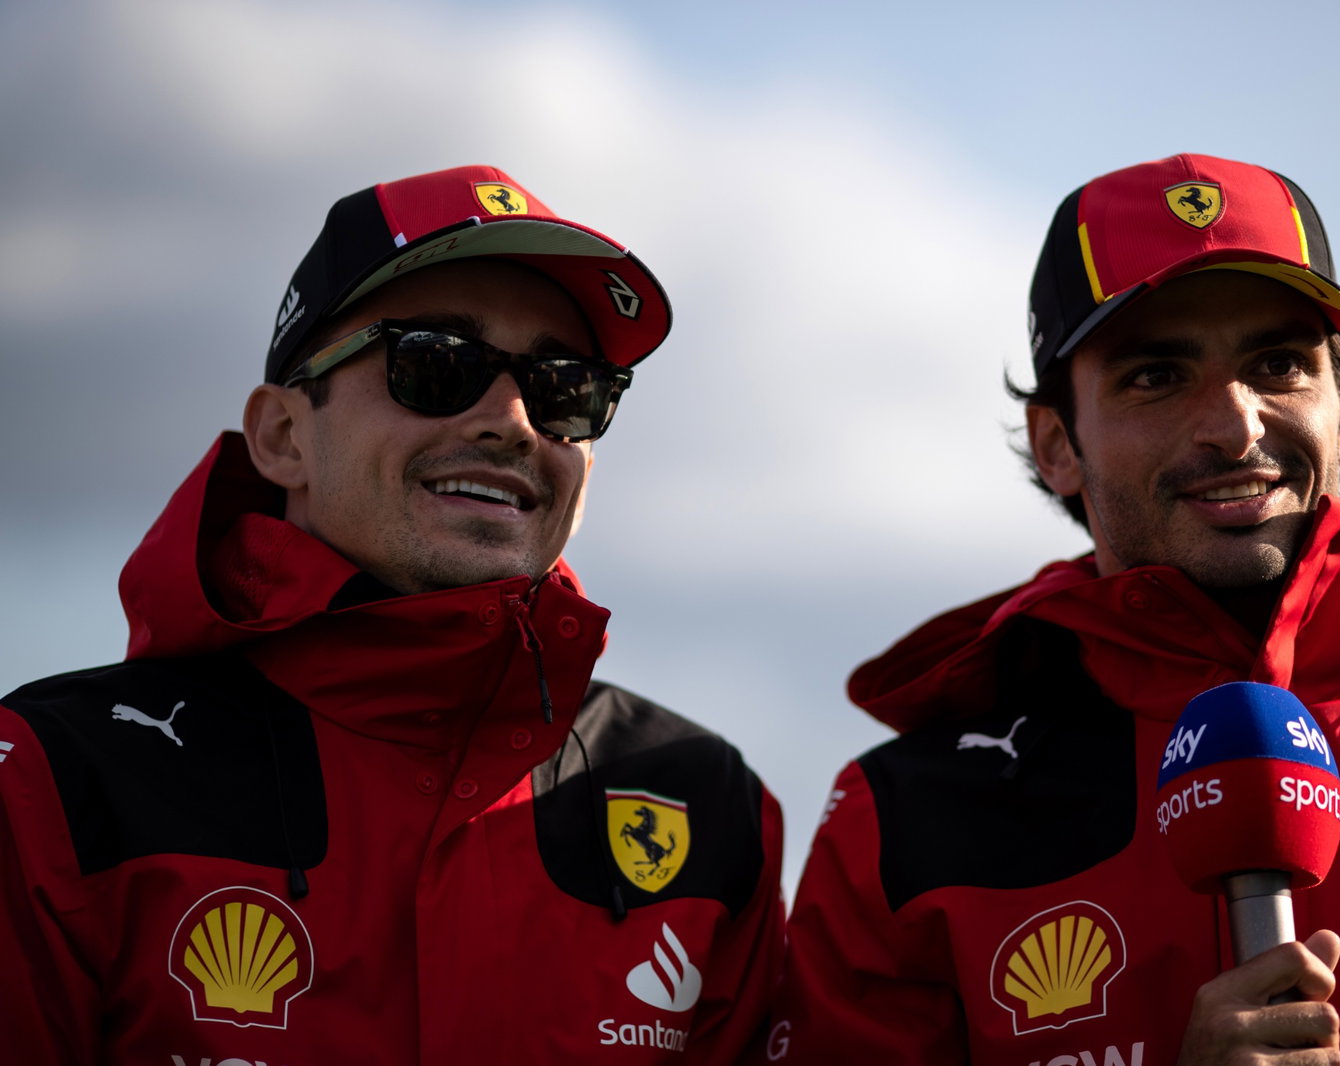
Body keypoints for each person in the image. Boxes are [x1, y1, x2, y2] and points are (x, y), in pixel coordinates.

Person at [761, 154, 1340, 1065]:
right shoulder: (900, 823)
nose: (1236, 426)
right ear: (1058, 447)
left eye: (1278, 362)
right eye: (1156, 376)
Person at [0, 165, 783, 1063]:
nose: (516, 421)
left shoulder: (710, 804)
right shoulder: (48, 783)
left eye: (567, 387)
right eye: (436, 363)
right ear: (283, 437)